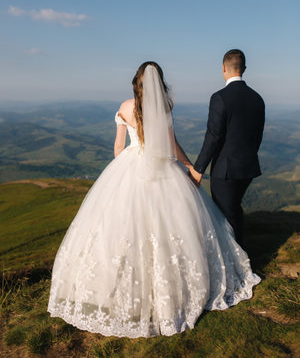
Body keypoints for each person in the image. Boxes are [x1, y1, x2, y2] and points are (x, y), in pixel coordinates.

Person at [48, 61, 261, 338]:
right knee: (173, 225)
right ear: (158, 82)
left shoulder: (125, 108)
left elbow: (118, 146)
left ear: (136, 82)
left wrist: (121, 173)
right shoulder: (165, 107)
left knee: (121, 228)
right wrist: (188, 166)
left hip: (130, 164)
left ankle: (117, 288)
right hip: (163, 167)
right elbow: (172, 144)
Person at [189, 50, 265, 247]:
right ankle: (237, 254)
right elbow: (257, 136)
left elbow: (213, 137)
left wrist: (198, 169)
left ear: (223, 68)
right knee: (234, 209)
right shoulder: (258, 99)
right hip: (247, 167)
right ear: (244, 69)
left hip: (225, 170)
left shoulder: (219, 98)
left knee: (225, 215)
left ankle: (237, 261)